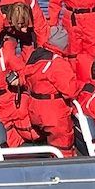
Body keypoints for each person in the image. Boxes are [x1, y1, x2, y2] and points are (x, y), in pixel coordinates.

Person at [24, 25, 79, 157]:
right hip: (53, 114)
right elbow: (71, 91)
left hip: (35, 110)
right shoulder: (58, 64)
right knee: (63, 146)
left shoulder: (35, 56)